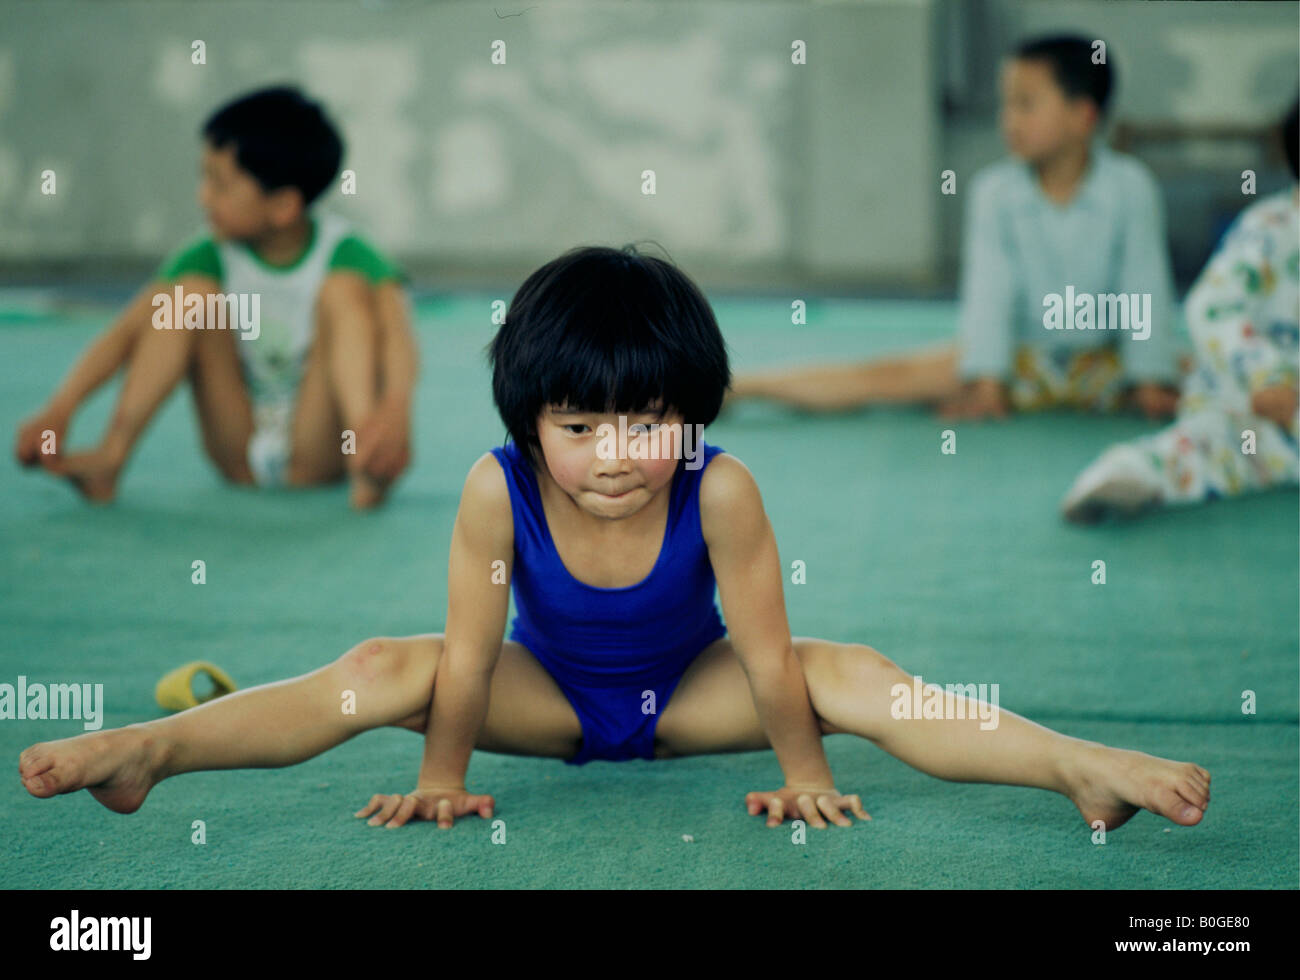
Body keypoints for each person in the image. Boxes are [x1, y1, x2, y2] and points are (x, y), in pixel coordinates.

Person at [19, 246, 1210, 834]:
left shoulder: (721, 487)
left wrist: (803, 771)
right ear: (527, 424)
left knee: (856, 671)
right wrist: (442, 779)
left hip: (690, 697)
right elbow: (474, 663)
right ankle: (154, 749)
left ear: (690, 414)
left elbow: (766, 651)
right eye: (579, 424)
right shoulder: (498, 493)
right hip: (545, 697)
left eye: (647, 420)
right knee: (387, 662)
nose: (614, 452)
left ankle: (1070, 762)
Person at [728, 35, 1182, 422]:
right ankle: (740, 389)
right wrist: (986, 378)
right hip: (1016, 359)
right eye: (1006, 104)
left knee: (1216, 372)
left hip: (1108, 362)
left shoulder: (1131, 187)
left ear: (1083, 117)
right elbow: (989, 289)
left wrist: (1149, 376)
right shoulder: (995, 192)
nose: (1009, 121)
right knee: (886, 376)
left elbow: (1144, 284)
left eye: (1026, 105)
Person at [13, 86, 417, 508]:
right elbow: (123, 335)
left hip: (322, 450)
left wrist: (394, 410)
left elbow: (397, 337)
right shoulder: (208, 255)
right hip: (237, 452)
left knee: (345, 292)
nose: (202, 196)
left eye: (219, 184)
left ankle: (367, 465)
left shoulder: (349, 254)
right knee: (188, 298)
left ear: (282, 206)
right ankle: (110, 459)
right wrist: (59, 411)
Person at [1062, 99, 1299, 521]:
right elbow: (1212, 309)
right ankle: (1126, 477)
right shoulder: (1269, 232)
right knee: (1200, 449)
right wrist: (1266, 375)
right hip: (1251, 414)